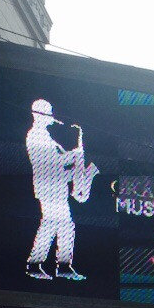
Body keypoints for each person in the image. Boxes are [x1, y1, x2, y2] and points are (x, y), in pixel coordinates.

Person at [25, 98, 99, 280]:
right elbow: (51, 163)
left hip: (55, 187)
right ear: (39, 115)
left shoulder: (45, 136)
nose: (52, 117)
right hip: (49, 189)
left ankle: (45, 265)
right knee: (60, 225)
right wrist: (75, 155)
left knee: (54, 225)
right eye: (48, 113)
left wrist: (74, 166)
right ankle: (55, 266)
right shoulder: (37, 136)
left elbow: (58, 162)